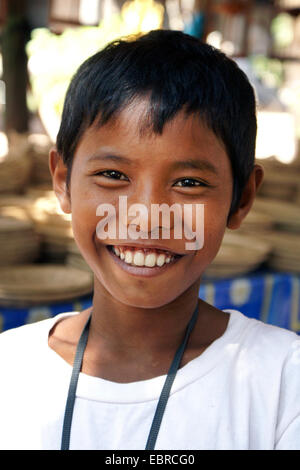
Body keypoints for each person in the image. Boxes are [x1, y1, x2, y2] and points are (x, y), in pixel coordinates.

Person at [0, 29, 300, 451]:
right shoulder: (9, 372)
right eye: (113, 175)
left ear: (242, 198)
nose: (144, 218)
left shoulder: (283, 383)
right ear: (64, 182)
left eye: (189, 182)